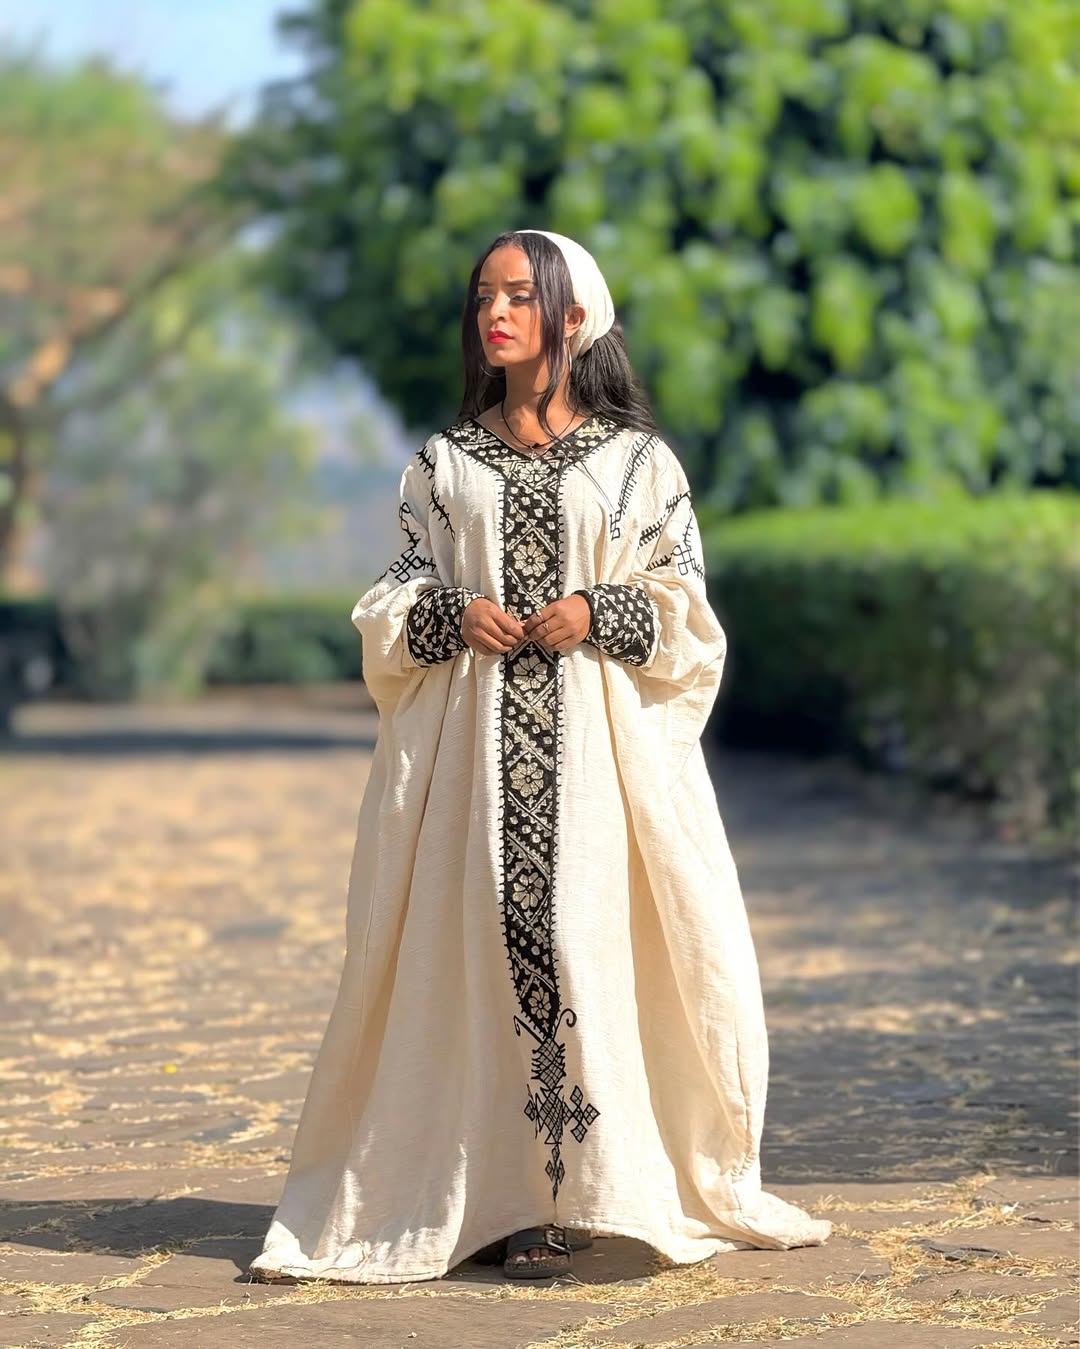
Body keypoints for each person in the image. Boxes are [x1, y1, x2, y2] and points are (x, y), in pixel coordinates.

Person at [247, 228, 831, 1286]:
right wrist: (445, 614)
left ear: (574, 316)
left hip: (604, 772)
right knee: (485, 948)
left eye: (519, 295)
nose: (495, 314)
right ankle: (503, 1197)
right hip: (472, 767)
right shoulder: (443, 466)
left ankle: (601, 1187)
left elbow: (687, 610)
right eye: (484, 297)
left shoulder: (638, 464)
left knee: (579, 940)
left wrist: (596, 609)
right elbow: (392, 597)